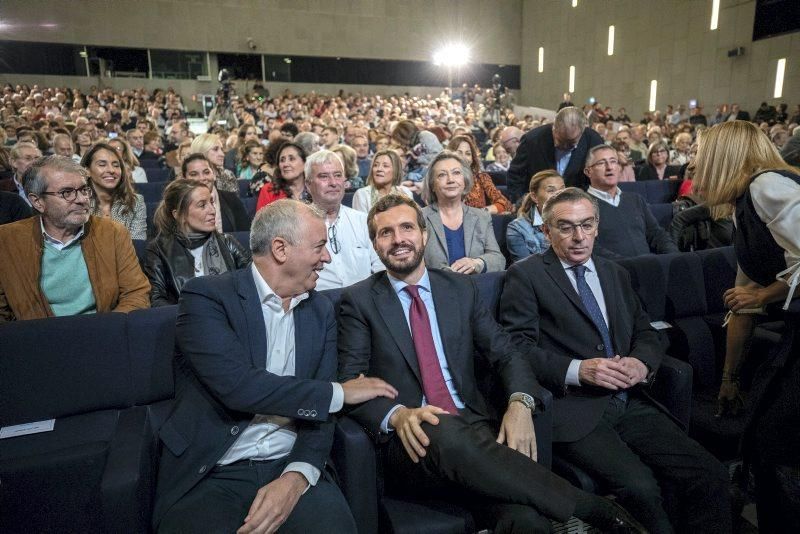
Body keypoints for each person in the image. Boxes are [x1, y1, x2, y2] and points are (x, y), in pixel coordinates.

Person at [337, 193, 647, 534]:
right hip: (411, 445)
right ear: (374, 244)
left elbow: (507, 352)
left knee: (527, 522)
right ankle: (590, 508)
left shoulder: (459, 288)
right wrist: (397, 414)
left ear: (424, 234)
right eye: (386, 233)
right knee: (442, 426)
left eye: (407, 227)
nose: (398, 239)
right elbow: (352, 381)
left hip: (475, 435)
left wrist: (520, 402)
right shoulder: (358, 301)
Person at [153, 199, 399, 534]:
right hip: (212, 469)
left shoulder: (321, 311)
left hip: (290, 463)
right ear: (280, 249)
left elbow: (321, 417)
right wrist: (338, 392)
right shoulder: (208, 298)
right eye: (319, 246)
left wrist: (296, 477)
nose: (327, 257)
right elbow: (239, 387)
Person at [499, 187, 732, 534]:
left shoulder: (615, 273)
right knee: (641, 487)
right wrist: (580, 370)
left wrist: (642, 363)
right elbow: (517, 348)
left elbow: (648, 332)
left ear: (596, 226)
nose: (578, 236)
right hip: (573, 409)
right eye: (566, 227)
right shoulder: (526, 276)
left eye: (586, 225)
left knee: (708, 473)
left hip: (630, 399)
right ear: (546, 232)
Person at [693, 121, 800, 532]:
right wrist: (729, 378)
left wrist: (763, 296)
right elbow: (743, 300)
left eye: (703, 154)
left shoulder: (766, 186)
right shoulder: (746, 206)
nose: (696, 163)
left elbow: (756, 295)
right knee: (765, 436)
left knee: (777, 444)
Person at [0, 155, 150, 322]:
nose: (82, 200)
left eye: (84, 190)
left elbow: (136, 294)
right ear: (38, 202)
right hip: (37, 340)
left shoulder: (113, 233)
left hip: (103, 334)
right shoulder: (6, 240)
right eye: (67, 192)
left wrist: (107, 330)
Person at [143, 179, 251, 306]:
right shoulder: (158, 250)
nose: (212, 210)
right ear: (178, 214)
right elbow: (157, 299)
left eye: (211, 202)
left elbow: (253, 282)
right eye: (202, 205)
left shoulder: (228, 242)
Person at [303, 150, 383, 290]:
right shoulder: (298, 226)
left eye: (338, 175)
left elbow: (380, 267)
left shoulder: (363, 221)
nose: (333, 183)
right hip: (319, 303)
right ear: (308, 185)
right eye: (324, 177)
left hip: (364, 302)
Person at [584, 145, 679, 258]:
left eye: (613, 161)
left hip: (649, 267)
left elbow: (656, 234)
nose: (609, 167)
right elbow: (591, 248)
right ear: (588, 171)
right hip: (614, 272)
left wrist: (675, 256)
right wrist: (631, 266)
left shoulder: (635, 200)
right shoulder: (582, 206)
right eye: (601, 163)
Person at [420, 151, 505, 274]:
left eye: (456, 173)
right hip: (436, 288)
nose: (450, 180)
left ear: (464, 181)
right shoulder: (420, 217)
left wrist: (477, 263)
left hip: (475, 287)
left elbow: (498, 259)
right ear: (432, 184)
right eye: (442, 175)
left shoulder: (482, 217)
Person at [507, 107, 604, 200]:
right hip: (538, 207)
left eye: (570, 143)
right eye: (561, 141)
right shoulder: (532, 140)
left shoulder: (594, 142)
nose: (565, 146)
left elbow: (599, 181)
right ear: (553, 127)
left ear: (582, 132)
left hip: (578, 207)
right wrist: (521, 202)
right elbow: (515, 175)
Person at [81, 142, 146, 240]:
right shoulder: (78, 203)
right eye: (102, 165)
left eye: (116, 165)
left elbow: (137, 244)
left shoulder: (135, 202)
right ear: (87, 171)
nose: (111, 170)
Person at [506, 170, 565, 262]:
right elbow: (526, 271)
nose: (559, 195)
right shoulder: (518, 228)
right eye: (551, 190)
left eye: (562, 189)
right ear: (534, 197)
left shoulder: (577, 220)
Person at [181, 154, 250, 233]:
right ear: (184, 179)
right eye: (194, 174)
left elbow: (245, 234)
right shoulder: (179, 205)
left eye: (206, 172)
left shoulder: (232, 199)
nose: (202, 178)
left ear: (213, 175)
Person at [448, 135, 512, 214]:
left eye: (468, 154)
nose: (464, 157)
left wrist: (482, 211)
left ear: (472, 158)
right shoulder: (444, 180)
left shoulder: (481, 178)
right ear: (449, 155)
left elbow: (505, 204)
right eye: (459, 153)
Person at [351, 149, 412, 214]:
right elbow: (361, 223)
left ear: (396, 170)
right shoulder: (362, 195)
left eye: (385, 166)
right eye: (375, 165)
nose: (379, 169)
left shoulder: (406, 193)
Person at [256, 142, 310, 211]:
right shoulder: (268, 191)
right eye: (282, 160)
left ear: (304, 163)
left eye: (291, 159)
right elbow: (261, 221)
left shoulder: (315, 189)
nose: (285, 164)